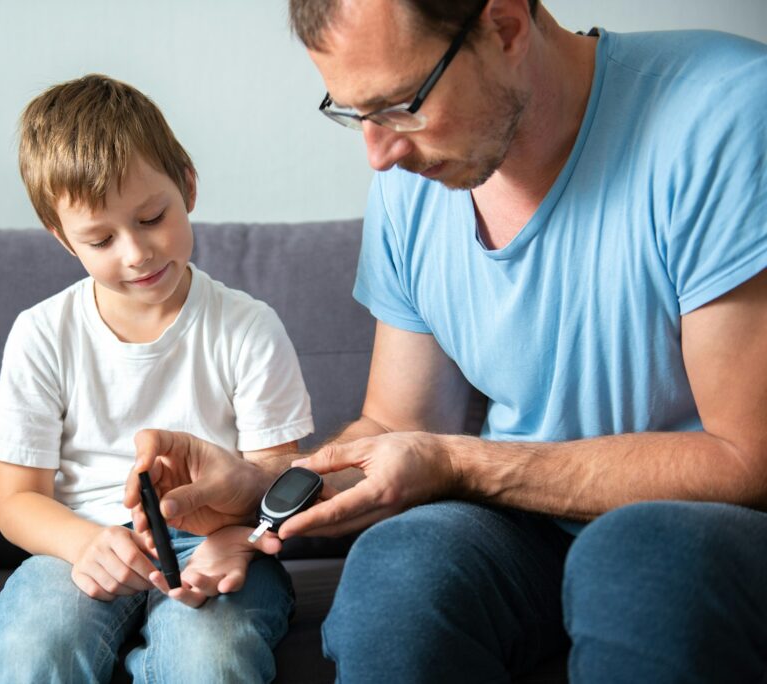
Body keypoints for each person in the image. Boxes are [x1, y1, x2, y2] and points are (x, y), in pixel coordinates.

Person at [126, 0, 767, 681]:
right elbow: (400, 427)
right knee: (402, 570)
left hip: (707, 529)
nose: (379, 154)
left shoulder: (724, 115)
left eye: (401, 105)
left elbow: (745, 461)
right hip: (530, 529)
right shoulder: (416, 182)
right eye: (354, 113)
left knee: (636, 561)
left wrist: (464, 464)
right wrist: (262, 487)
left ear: (505, 26)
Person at [0, 74, 314, 684]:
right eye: (100, 239)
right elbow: (16, 501)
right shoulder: (42, 333)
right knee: (32, 654)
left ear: (188, 185)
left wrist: (238, 539)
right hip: (81, 541)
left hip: (217, 539)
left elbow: (277, 480)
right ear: (63, 239)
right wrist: (83, 544)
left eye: (152, 217)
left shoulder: (248, 327)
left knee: (210, 661)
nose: (136, 253)